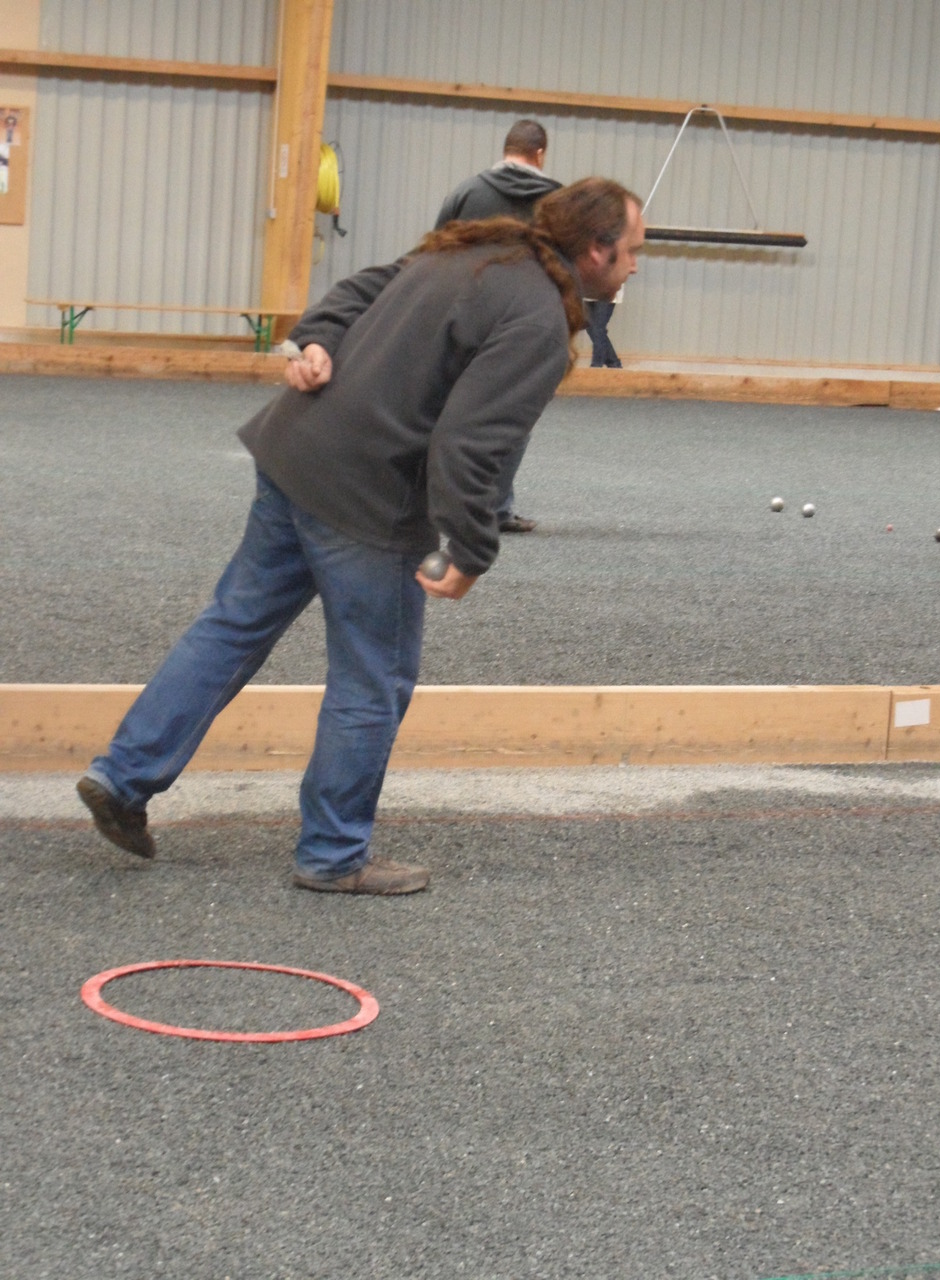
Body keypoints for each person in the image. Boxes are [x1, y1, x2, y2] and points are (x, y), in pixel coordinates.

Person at [76, 177, 645, 896]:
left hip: (296, 455)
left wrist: (314, 340)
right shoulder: (535, 316)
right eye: (632, 252)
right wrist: (471, 549)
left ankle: (121, 777)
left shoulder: (470, 250)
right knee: (372, 679)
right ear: (595, 251)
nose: (635, 267)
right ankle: (333, 853)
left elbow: (351, 293)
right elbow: (469, 447)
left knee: (231, 627)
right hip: (367, 501)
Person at [435, 119, 563, 533]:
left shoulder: (466, 192)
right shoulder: (559, 201)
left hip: (465, 314)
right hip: (524, 322)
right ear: (540, 153)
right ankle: (496, 508)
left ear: (506, 148)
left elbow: (435, 252)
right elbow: (567, 265)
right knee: (515, 414)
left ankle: (435, 502)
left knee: (442, 408)